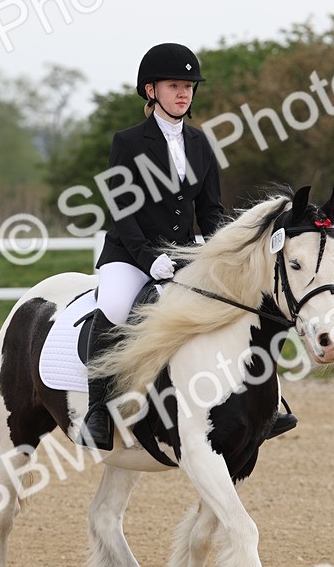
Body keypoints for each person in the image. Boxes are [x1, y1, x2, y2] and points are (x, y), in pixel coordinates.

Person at [78, 42, 225, 450]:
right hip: (129, 255)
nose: (184, 93)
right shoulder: (127, 142)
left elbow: (211, 211)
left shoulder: (201, 144)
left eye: (189, 86)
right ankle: (98, 410)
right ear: (151, 90)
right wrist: (147, 257)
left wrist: (219, 255)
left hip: (181, 257)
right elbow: (122, 210)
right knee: (113, 307)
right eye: (175, 85)